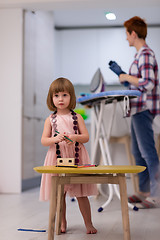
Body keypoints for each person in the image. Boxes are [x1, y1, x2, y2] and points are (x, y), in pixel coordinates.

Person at [39, 77, 98, 233]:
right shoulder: (50, 120)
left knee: (81, 193)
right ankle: (62, 221)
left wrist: (75, 137)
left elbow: (86, 137)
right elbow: (44, 140)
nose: (60, 99)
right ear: (51, 98)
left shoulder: (77, 117)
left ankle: (88, 223)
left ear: (71, 96)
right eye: (56, 95)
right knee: (60, 194)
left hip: (76, 157)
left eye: (64, 95)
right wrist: (54, 139)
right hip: (56, 158)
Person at [119, 16, 160, 208]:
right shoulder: (139, 55)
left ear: (133, 34)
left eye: (127, 34)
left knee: (148, 152)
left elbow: (149, 83)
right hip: (137, 109)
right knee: (138, 152)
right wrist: (126, 79)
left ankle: (156, 194)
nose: (126, 38)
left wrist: (127, 76)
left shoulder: (145, 54)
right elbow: (141, 82)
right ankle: (144, 192)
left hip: (143, 109)